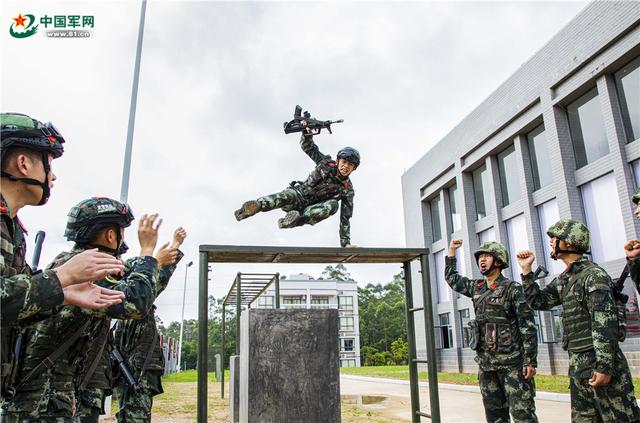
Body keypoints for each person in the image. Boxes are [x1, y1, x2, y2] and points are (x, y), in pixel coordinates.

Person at [1, 198, 161, 422]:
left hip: (42, 398)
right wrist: (147, 252)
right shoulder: (88, 269)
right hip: (43, 403)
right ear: (110, 235)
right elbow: (136, 303)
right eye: (121, 232)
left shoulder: (68, 263)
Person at [1, 113, 125, 401]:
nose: (52, 176)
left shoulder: (12, 228)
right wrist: (62, 278)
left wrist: (64, 293)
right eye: (48, 164)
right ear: (23, 163)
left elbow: (13, 310)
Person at [518, 218, 640, 422]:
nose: (551, 241)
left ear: (570, 242)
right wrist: (526, 272)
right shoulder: (564, 279)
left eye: (555, 237)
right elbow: (537, 301)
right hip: (578, 366)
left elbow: (604, 324)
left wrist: (604, 367)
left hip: (600, 363)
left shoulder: (593, 275)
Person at [447, 239, 538, 423]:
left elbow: (527, 326)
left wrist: (530, 361)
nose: (482, 260)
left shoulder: (512, 289)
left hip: (513, 365)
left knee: (523, 415)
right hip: (487, 366)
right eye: (480, 256)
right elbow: (452, 279)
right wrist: (451, 252)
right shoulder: (477, 288)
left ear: (498, 260)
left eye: (487, 256)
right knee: (495, 417)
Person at [234, 125, 359, 247]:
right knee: (286, 196)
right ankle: (254, 207)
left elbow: (345, 217)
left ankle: (293, 220)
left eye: (350, 165)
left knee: (333, 205)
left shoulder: (347, 189)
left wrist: (346, 243)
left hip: (309, 210)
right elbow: (309, 148)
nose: (346, 166)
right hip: (299, 195)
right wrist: (307, 134)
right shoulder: (325, 163)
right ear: (338, 161)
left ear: (354, 169)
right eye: (344, 162)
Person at [113, 227, 186, 422]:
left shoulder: (137, 296)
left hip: (139, 367)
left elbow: (158, 278)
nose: (119, 262)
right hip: (126, 367)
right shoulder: (113, 290)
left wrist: (175, 245)